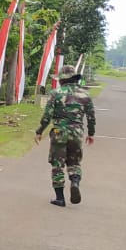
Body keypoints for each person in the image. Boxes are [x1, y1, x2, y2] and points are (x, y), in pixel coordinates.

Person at [35, 65, 96, 206]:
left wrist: (39, 131)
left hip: (59, 133)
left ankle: (60, 198)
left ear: (62, 80)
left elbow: (47, 116)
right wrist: (91, 133)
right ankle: (75, 182)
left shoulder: (55, 93)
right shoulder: (85, 95)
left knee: (57, 164)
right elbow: (91, 117)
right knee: (74, 162)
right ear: (74, 78)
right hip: (77, 133)